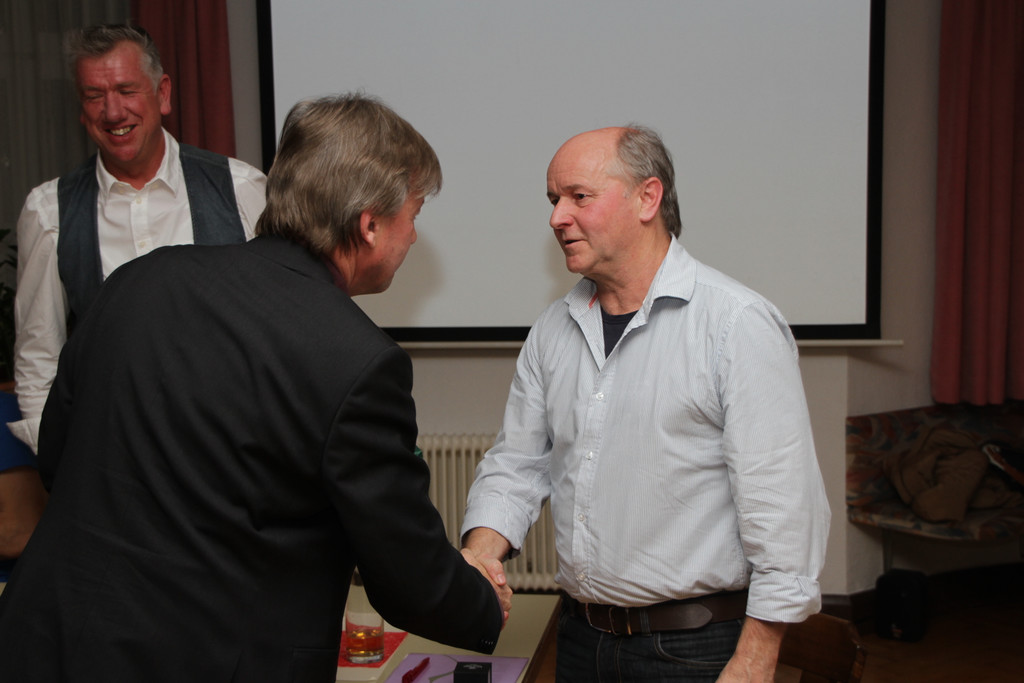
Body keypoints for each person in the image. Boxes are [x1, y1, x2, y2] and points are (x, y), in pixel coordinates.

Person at [0, 93, 511, 683]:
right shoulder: (357, 360)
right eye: (413, 215)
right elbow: (407, 578)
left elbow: (60, 454)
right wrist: (482, 599)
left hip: (47, 641)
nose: (415, 237)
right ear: (369, 224)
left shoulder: (139, 279)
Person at [461, 126, 829, 682]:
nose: (557, 217)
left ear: (647, 198)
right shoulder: (553, 329)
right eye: (553, 200)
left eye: (578, 197)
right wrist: (482, 553)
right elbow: (517, 464)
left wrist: (757, 658)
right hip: (580, 638)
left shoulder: (735, 324)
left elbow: (785, 512)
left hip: (694, 650)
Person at [8, 24, 267, 455]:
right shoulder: (49, 211)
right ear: (81, 108)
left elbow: (279, 329)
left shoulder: (242, 190)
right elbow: (39, 357)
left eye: (126, 90)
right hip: (113, 459)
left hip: (234, 454)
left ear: (162, 94)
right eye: (94, 95)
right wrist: (60, 459)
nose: (112, 112)